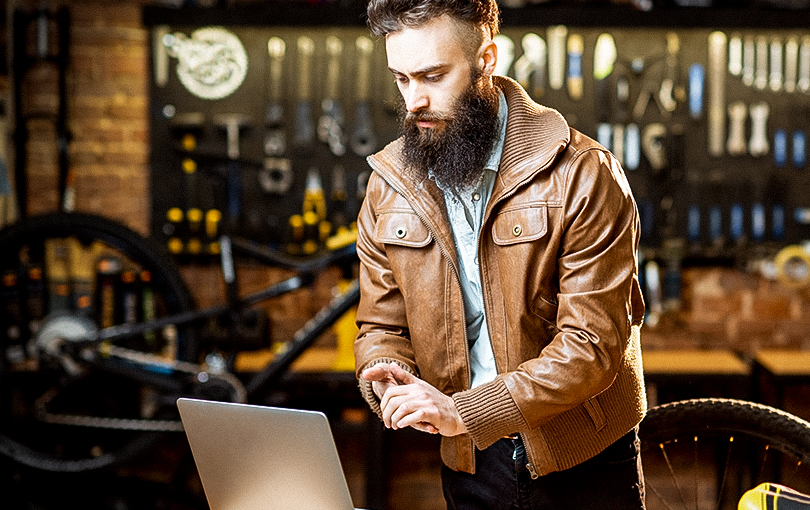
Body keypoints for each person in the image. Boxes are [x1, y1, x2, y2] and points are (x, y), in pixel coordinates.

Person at [353, 0, 647, 508]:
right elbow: (381, 327)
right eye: (401, 79)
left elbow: (593, 346)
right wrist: (383, 373)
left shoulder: (582, 173)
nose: (414, 101)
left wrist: (466, 412)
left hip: (582, 456)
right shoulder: (388, 188)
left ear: (486, 58)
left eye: (432, 76)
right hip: (469, 458)